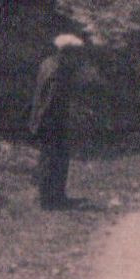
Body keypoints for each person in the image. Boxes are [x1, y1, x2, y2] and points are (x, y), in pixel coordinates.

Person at [30, 33, 85, 209]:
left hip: (44, 118)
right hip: (53, 120)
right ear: (67, 52)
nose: (77, 57)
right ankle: (51, 200)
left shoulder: (47, 63)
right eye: (75, 53)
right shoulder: (60, 69)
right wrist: (48, 120)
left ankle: (51, 198)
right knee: (55, 159)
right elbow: (52, 99)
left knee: (49, 158)